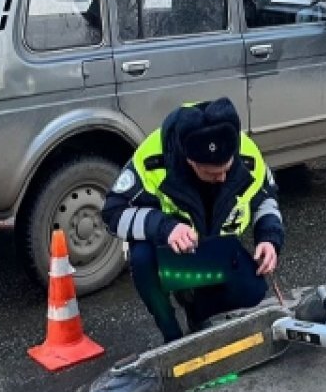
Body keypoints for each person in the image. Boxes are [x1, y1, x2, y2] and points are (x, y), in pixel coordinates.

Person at [102, 98, 284, 343]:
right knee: (141, 257)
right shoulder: (152, 157)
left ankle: (197, 313)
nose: (221, 178)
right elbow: (113, 212)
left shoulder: (246, 152)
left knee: (253, 292)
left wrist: (269, 239)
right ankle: (172, 335)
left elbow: (266, 198)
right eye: (211, 173)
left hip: (215, 247)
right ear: (190, 160)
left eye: (226, 169)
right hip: (171, 251)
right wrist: (165, 227)